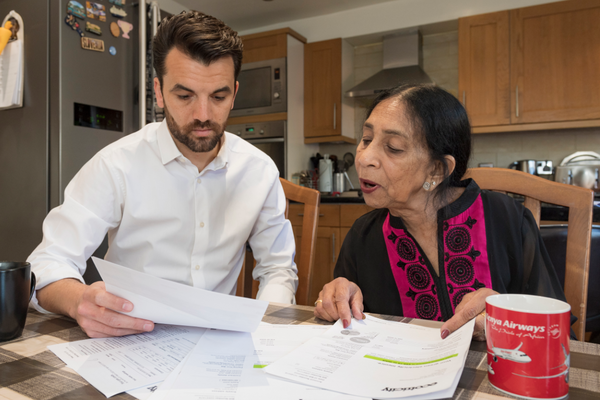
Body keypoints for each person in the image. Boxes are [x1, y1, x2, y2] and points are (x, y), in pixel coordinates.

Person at [27, 11, 298, 338]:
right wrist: (79, 301)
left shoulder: (259, 171)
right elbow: (47, 264)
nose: (202, 115)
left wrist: (265, 333)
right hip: (129, 338)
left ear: (234, 93)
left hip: (220, 343)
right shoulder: (117, 164)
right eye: (184, 96)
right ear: (158, 91)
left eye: (218, 96)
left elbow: (277, 268)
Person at [313, 84, 569, 341]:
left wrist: (509, 313)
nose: (364, 157)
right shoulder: (363, 236)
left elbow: (557, 332)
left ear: (437, 170)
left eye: (393, 147)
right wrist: (336, 299)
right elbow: (344, 330)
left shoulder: (508, 220)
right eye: (367, 140)